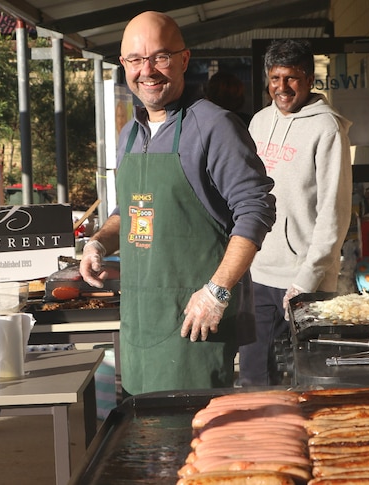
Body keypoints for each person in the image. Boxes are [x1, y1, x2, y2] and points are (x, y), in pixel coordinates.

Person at [79, 11, 276, 396]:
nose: (147, 70)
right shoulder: (130, 134)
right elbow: (133, 212)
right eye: (136, 60)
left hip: (197, 328)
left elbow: (255, 209)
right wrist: (99, 242)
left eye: (160, 57)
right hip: (139, 327)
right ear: (124, 65)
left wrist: (217, 291)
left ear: (185, 59)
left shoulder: (215, 126)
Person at [238, 39, 353, 386]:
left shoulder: (327, 129)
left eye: (291, 78)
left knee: (310, 380)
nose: (281, 88)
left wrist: (306, 279)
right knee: (255, 378)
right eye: (275, 78)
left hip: (305, 280)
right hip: (257, 272)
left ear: (308, 79)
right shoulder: (258, 122)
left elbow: (334, 212)